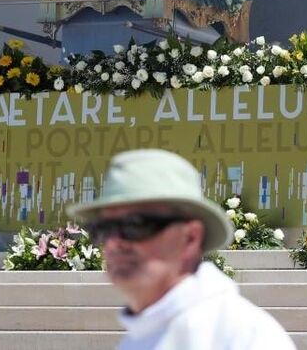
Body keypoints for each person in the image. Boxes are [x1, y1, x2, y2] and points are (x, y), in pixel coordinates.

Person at [69, 149, 295, 350]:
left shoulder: (242, 336)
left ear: (190, 238)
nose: (113, 242)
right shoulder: (141, 335)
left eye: (135, 225)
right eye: (103, 229)